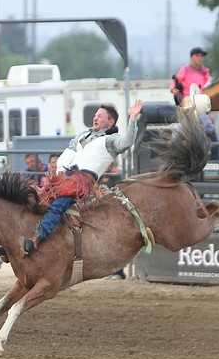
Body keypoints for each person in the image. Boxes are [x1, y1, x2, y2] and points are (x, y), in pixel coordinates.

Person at [20, 99, 144, 257]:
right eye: (95, 115)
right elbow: (68, 153)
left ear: (110, 122)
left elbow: (127, 142)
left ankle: (37, 239)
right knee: (34, 197)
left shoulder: (110, 140)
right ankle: (15, 240)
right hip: (66, 177)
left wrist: (133, 119)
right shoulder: (83, 136)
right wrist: (58, 173)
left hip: (82, 182)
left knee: (58, 205)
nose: (95, 118)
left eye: (100, 116)